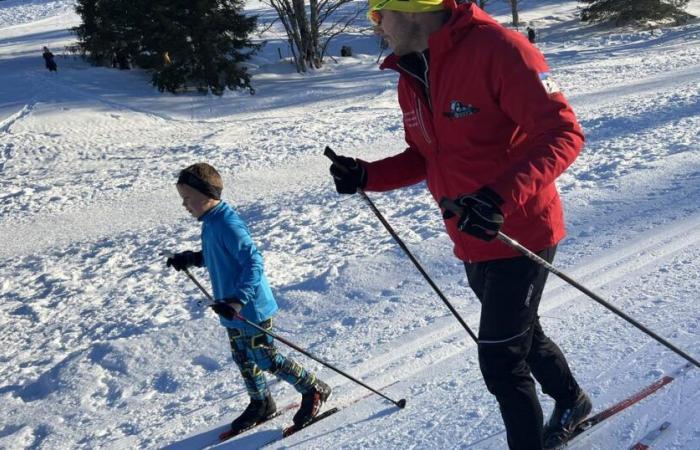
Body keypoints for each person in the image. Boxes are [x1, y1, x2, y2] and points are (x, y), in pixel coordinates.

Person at [329, 1, 590, 449]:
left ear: (412, 11)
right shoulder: (413, 72)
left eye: (378, 14)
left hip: (519, 231)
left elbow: (563, 133)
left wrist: (497, 197)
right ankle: (572, 401)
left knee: (501, 362)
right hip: (470, 237)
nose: (376, 26)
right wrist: (367, 174)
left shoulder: (501, 49)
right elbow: (426, 155)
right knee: (523, 336)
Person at [167, 163, 331, 435]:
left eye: (187, 198)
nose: (184, 205)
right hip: (230, 309)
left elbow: (253, 262)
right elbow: (219, 255)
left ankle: (313, 388)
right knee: (242, 357)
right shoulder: (210, 222)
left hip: (249, 308)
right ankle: (261, 402)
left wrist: (238, 300)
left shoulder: (227, 223)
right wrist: (191, 258)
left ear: (205, 193)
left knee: (266, 359)